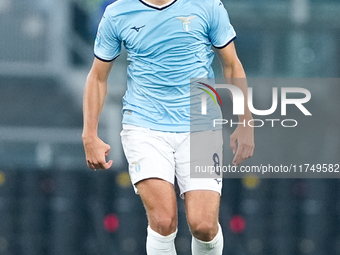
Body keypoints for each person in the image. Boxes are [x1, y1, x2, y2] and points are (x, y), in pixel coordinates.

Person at [82, 0, 254, 254]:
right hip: (144, 126)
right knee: (163, 221)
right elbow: (97, 76)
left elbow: (231, 64)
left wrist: (245, 122)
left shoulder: (207, 6)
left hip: (201, 124)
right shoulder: (118, 12)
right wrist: (89, 135)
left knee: (204, 226)